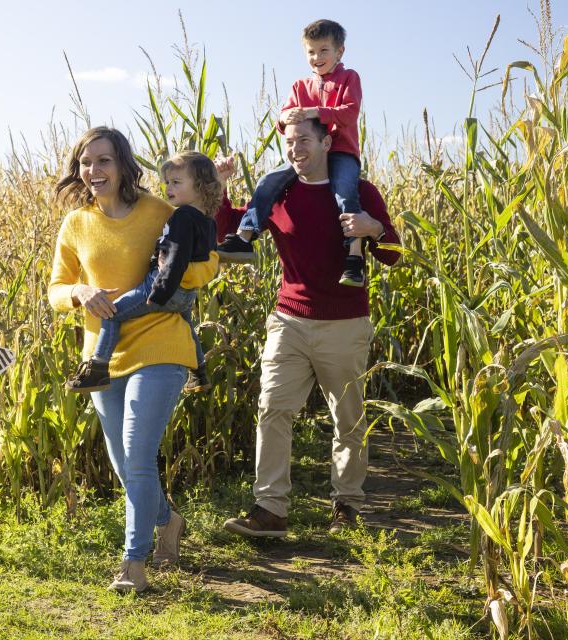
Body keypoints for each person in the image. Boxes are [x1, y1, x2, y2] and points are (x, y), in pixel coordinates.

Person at [48, 127, 219, 593]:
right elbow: (55, 290)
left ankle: (132, 563)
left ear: (123, 165)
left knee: (139, 457)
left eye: (104, 160)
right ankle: (167, 520)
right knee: (124, 465)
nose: (94, 170)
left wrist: (180, 280)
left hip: (159, 344)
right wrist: (80, 293)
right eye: (86, 162)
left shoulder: (159, 210)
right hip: (101, 357)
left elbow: (204, 260)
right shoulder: (76, 224)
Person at [218, 117, 400, 537]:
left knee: (348, 418)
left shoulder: (359, 192)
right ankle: (270, 509)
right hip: (289, 321)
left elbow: (392, 255)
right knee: (273, 409)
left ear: (327, 141)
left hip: (344, 323)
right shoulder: (279, 192)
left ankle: (347, 505)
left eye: (304, 139)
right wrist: (222, 186)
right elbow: (230, 231)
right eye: (288, 141)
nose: (295, 148)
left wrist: (374, 229)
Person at [217, 19, 367, 287]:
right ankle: (245, 236)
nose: (316, 58)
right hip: (308, 156)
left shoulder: (348, 78)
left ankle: (354, 259)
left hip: (341, 152)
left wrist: (311, 112)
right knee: (268, 181)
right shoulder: (300, 86)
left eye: (323, 51)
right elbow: (283, 120)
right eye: (311, 52)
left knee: (345, 192)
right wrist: (288, 116)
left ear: (339, 52)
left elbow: (349, 112)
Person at [64, 151, 221, 395]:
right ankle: (199, 372)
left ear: (200, 187)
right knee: (187, 322)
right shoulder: (208, 221)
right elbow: (207, 254)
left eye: (176, 183)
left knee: (112, 311)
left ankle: (98, 368)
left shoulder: (179, 216)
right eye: (167, 182)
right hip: (185, 295)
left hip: (162, 287)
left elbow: (176, 257)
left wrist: (160, 291)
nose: (168, 188)